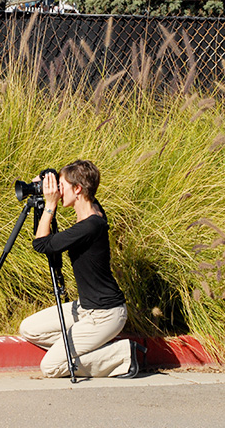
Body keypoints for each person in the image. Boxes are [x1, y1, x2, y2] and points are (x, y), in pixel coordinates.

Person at [18, 160, 147, 378]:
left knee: (50, 367)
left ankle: (123, 354)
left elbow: (41, 244)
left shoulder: (89, 227)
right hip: (84, 308)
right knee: (28, 328)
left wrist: (50, 204)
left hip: (105, 315)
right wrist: (48, 178)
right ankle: (81, 346)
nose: (58, 191)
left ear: (77, 189)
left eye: (61, 186)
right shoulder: (95, 210)